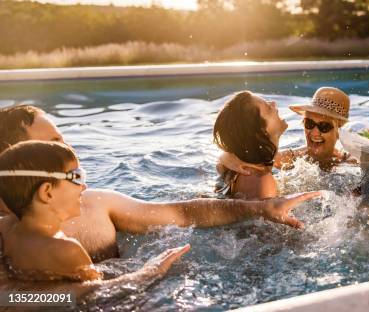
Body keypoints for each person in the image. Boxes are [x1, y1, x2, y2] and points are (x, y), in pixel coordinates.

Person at [0, 105, 321, 263]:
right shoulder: (7, 234)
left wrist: (263, 208)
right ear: (15, 156)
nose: (69, 148)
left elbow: (182, 213)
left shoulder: (97, 203)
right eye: (55, 141)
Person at [0, 140, 190, 287]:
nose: (84, 186)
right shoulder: (67, 249)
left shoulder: (8, 235)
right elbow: (103, 294)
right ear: (47, 192)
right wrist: (151, 272)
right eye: (76, 177)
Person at [218, 87, 356, 177]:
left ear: (339, 131)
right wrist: (225, 158)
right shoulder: (294, 158)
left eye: (324, 126)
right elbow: (251, 158)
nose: (314, 132)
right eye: (309, 123)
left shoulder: (352, 162)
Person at [213, 91, 286, 199]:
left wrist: (224, 157)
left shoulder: (240, 168)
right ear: (261, 131)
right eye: (269, 108)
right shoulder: (261, 179)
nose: (274, 103)